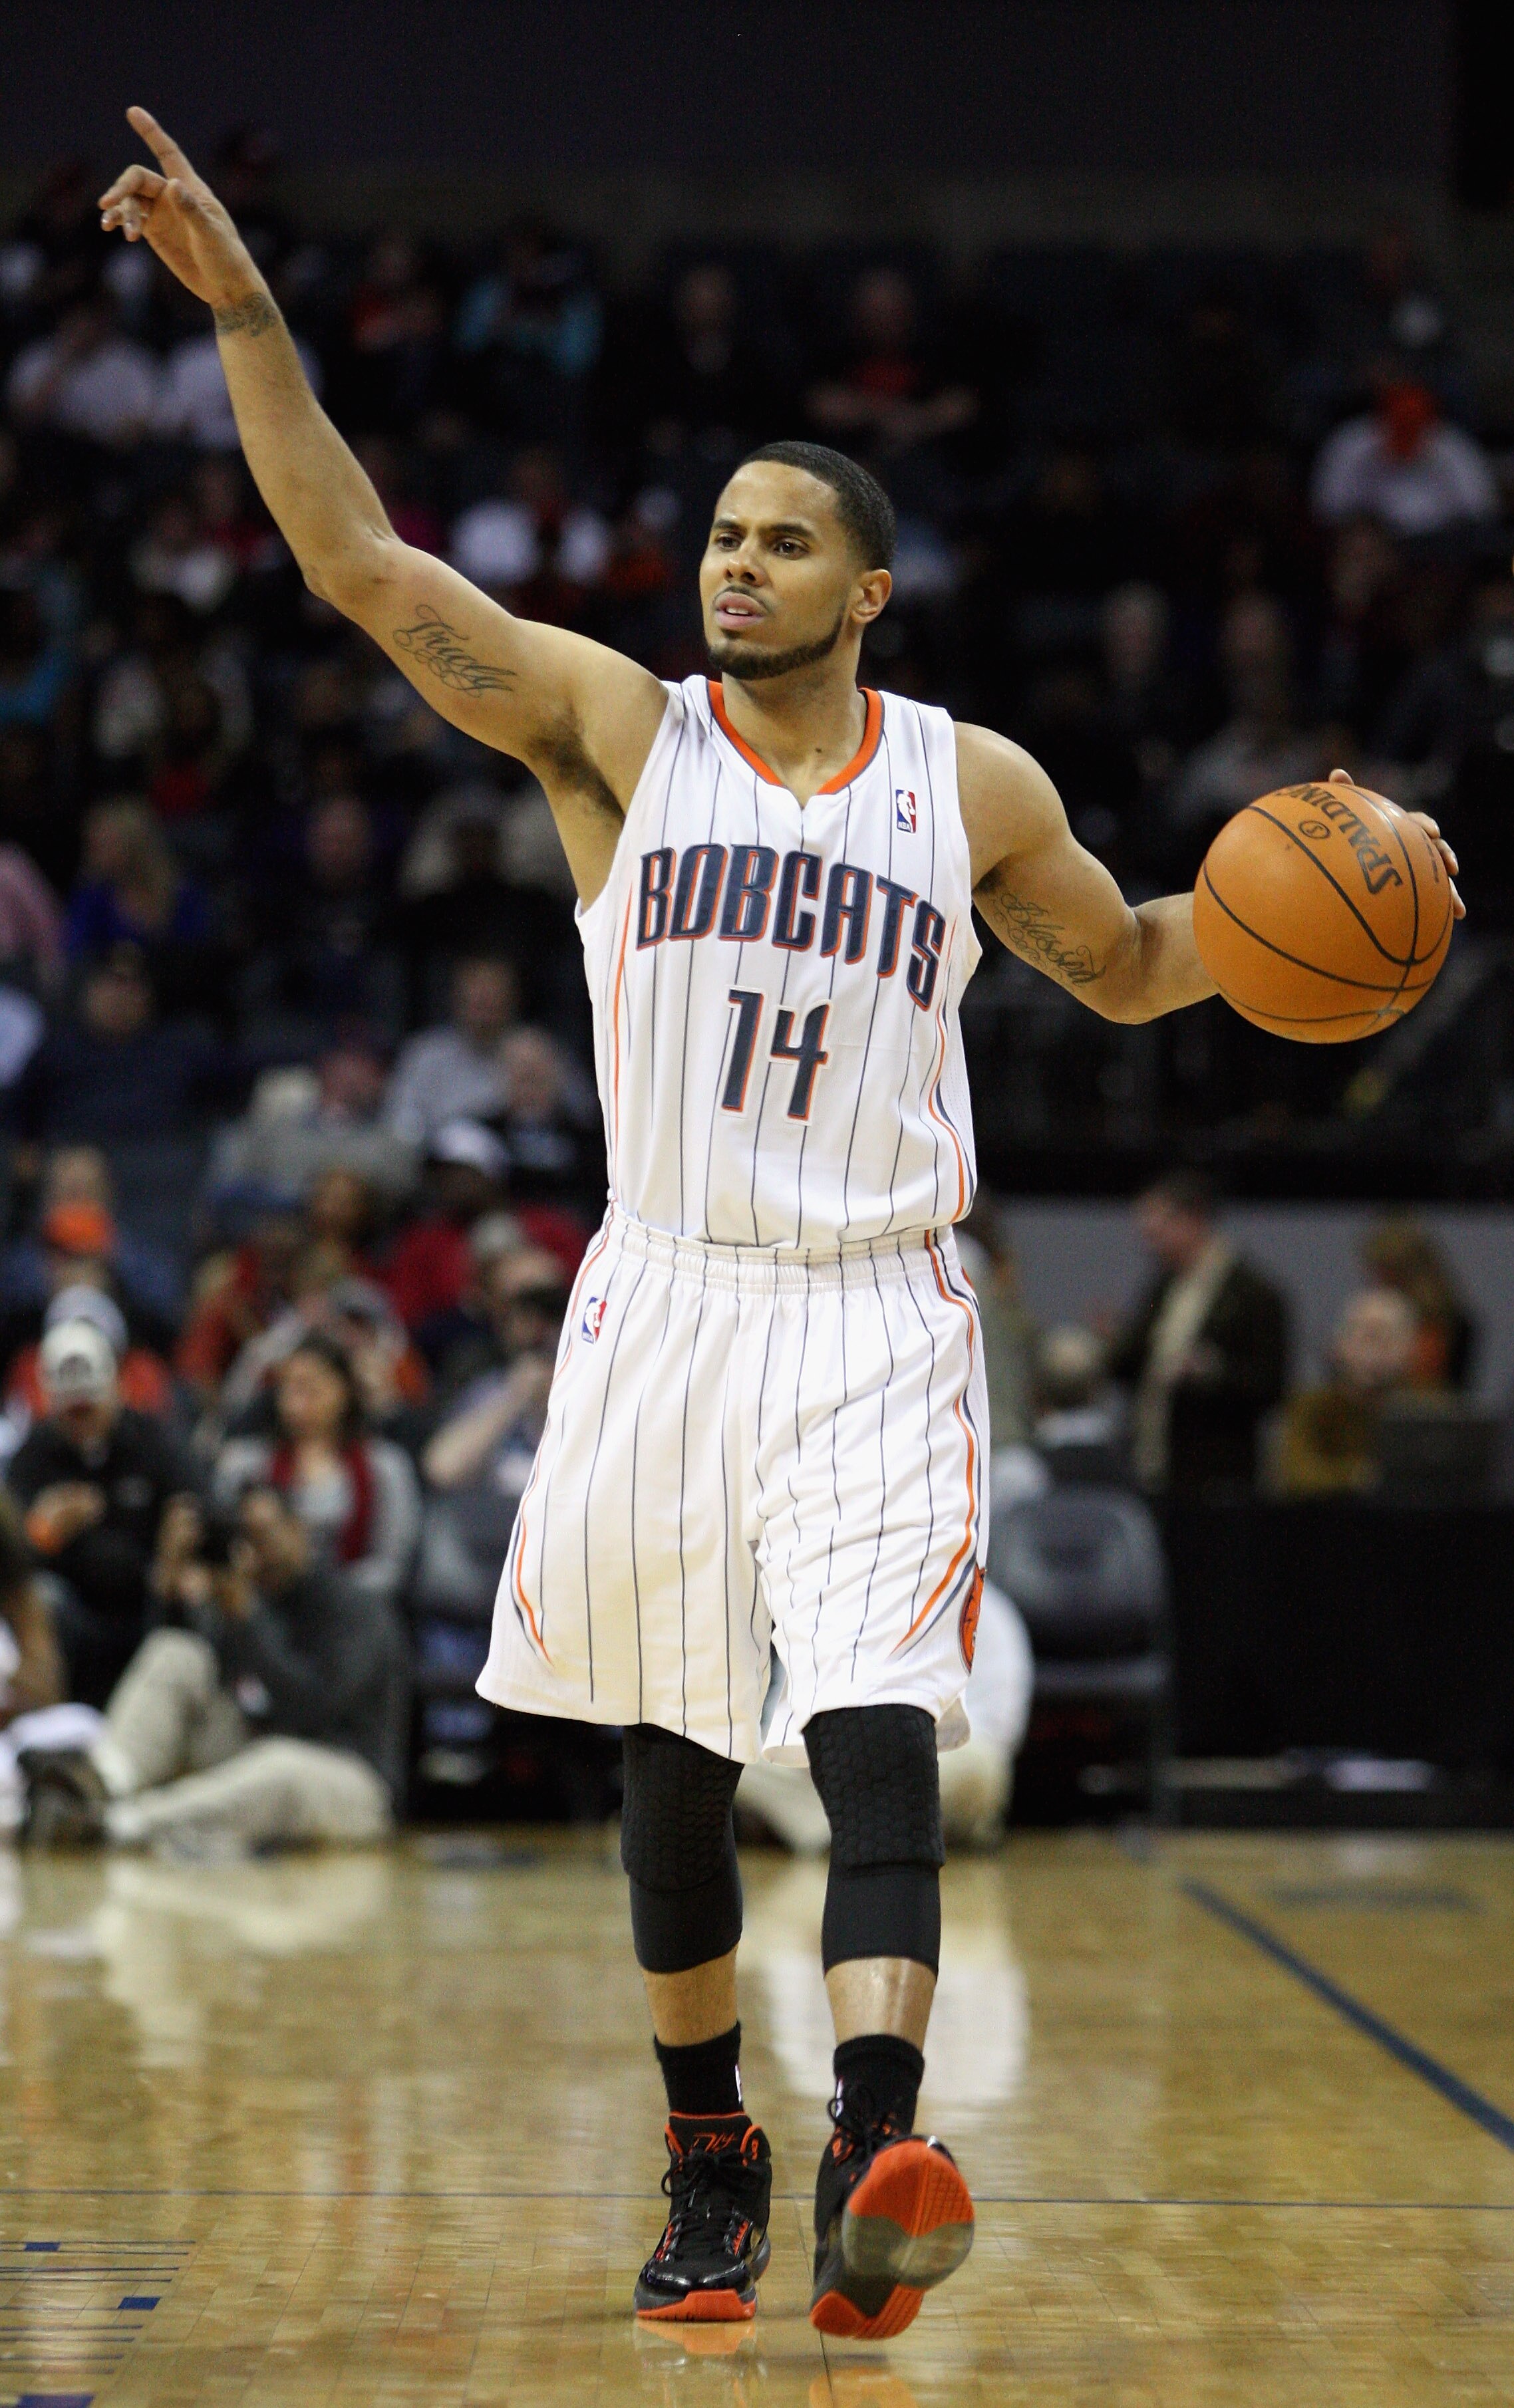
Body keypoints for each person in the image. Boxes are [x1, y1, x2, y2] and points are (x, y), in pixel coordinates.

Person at [98, 112, 1461, 2338]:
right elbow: (358, 563)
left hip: (872, 1310)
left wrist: (1322, 906)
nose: (732, 564)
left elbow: (1127, 962)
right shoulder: (614, 733)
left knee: (874, 1723)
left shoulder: (966, 782)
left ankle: (878, 2135)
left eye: (781, 540)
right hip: (667, 1295)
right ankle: (707, 2137)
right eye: (721, 532)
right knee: (661, 1763)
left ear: (866, 589)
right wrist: (250, 315)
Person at [19, 1485, 408, 1853]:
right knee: (176, 1652)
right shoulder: (245, 1594)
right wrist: (168, 1586)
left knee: (283, 1762)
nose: (256, 1552)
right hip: (255, 1755)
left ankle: (119, 1825)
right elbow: (184, 1684)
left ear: (298, 1529)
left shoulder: (356, 1609)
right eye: (246, 1539)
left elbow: (310, 1710)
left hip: (353, 1781)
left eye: (265, 1535)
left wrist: (248, 1618)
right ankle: (100, 1783)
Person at [5, 1315, 196, 1704]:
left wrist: (177, 1552)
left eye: (89, 1408)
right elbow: (8, 1566)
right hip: (74, 1610)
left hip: (149, 1595)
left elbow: (200, 1505)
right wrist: (42, 1532)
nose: (82, 1423)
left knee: (194, 1592)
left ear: (115, 1390)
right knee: (42, 1597)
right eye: (71, 1412)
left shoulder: (155, 1441)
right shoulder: (34, 1456)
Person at [1106, 1173, 1290, 1496]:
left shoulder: (1253, 1294)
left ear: (1193, 1220)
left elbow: (1272, 1385)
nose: (1148, 1238)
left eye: (1158, 1225)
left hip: (1217, 1476)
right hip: (1157, 1466)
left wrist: (1211, 1372)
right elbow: (1135, 1366)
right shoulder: (1163, 1287)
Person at [214, 1333, 420, 1615]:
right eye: (287, 1388)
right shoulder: (244, 1465)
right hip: (265, 1609)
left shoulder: (386, 1467)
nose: (294, 1401)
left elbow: (390, 1567)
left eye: (309, 1387)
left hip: (351, 1615)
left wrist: (323, 1596)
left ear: (344, 1390)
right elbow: (224, 1550)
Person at [1273, 1286, 1420, 1496]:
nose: (1373, 1351)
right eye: (1364, 1335)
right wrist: (1360, 1477)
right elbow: (1296, 1472)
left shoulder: (1423, 1411)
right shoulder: (1311, 1407)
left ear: (1411, 1350)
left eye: (1388, 1338)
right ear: (1338, 1344)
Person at [383, 955, 519, 1152]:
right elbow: (398, 1120)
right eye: (477, 998)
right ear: (458, 999)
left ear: (510, 1000)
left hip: (513, 1165)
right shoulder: (425, 1052)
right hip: (435, 1163)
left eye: (492, 996)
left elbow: (575, 1113)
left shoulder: (533, 1052)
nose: (485, 1002)